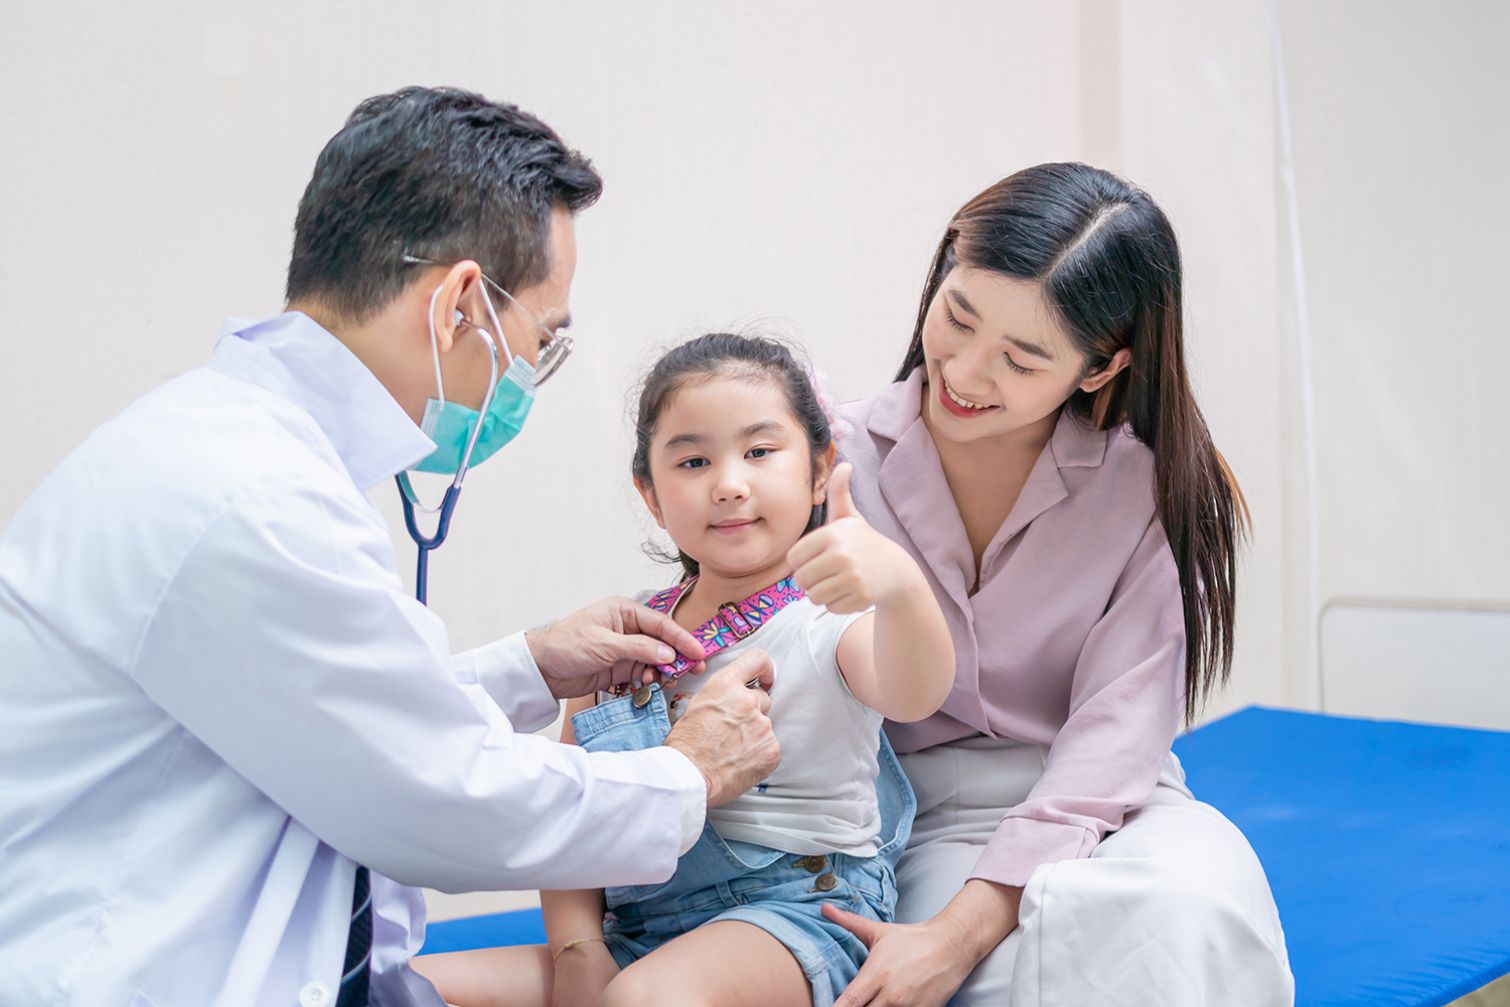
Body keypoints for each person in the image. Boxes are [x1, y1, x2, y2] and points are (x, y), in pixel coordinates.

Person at [0, 87, 780, 1007]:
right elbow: (440, 801)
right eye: (540, 340)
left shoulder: (232, 452)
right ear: (459, 305)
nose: (527, 377)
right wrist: (688, 771)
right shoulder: (252, 499)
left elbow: (325, 717)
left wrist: (528, 665)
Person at [820, 163, 1295, 1007]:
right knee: (1016, 984)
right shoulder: (828, 455)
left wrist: (959, 934)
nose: (964, 373)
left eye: (1021, 358)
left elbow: (1118, 732)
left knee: (1185, 918)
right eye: (956, 318)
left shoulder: (1143, 488)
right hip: (911, 818)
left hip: (1116, 806)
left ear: (1100, 368)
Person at [416, 333, 956, 1007]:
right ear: (650, 493)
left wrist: (901, 587)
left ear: (820, 470)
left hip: (795, 917)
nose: (729, 484)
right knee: (406, 987)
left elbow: (917, 690)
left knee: (646, 998)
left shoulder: (831, 622)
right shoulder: (622, 638)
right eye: (694, 460)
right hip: (637, 930)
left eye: (760, 452)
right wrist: (578, 952)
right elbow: (577, 810)